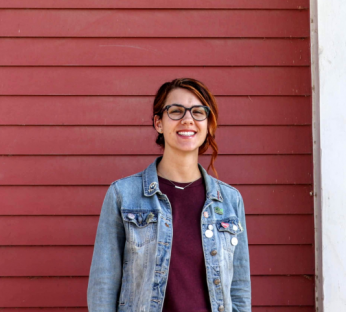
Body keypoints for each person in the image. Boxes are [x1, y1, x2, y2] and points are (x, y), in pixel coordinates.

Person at [87, 78, 251, 312]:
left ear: (208, 123)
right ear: (158, 123)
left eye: (198, 112)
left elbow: (239, 289)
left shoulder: (230, 200)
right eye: (175, 111)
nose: (187, 120)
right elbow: (103, 286)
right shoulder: (123, 196)